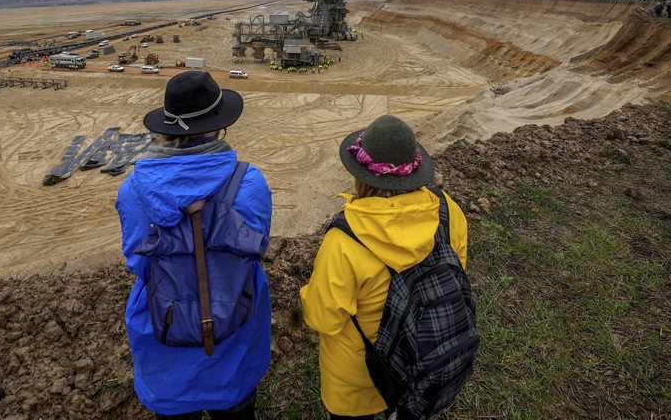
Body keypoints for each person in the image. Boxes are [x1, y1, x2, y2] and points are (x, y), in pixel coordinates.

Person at [116, 71, 273, 419]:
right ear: (221, 127)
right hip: (234, 334)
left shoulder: (133, 190)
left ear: (165, 128)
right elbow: (257, 250)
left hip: (163, 340)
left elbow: (139, 264)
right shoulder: (249, 183)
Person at [299, 115, 469, 420]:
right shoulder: (447, 212)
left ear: (361, 176)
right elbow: (457, 269)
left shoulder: (345, 240)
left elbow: (324, 318)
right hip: (420, 359)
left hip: (357, 379)